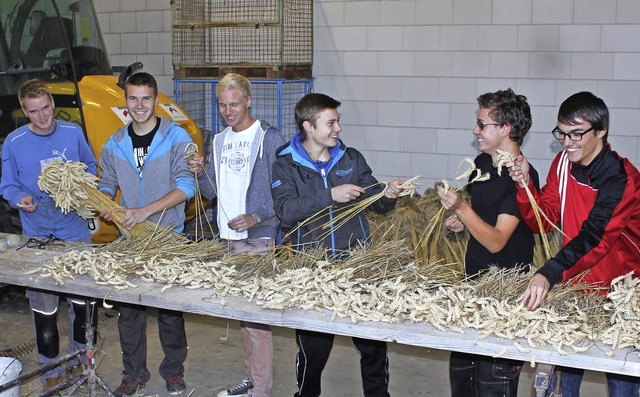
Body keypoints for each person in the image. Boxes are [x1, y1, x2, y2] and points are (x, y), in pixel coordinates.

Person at [271, 93, 405, 397]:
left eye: (338, 121)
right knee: (313, 352)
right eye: (331, 122)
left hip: (357, 266)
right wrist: (331, 195)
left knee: (372, 347)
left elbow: (376, 202)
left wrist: (389, 194)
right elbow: (286, 211)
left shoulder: (351, 158)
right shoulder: (285, 164)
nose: (338, 129)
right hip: (313, 271)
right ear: (308, 125)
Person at [507, 91, 640, 397]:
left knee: (621, 383)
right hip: (576, 284)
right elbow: (545, 217)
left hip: (619, 295)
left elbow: (596, 236)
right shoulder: (563, 163)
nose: (567, 143)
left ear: (601, 131)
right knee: (564, 385)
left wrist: (550, 271)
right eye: (562, 134)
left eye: (576, 134)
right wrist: (526, 185)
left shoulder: (622, 178)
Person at [187, 73, 285, 397]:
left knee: (255, 318)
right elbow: (209, 191)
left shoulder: (269, 138)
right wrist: (200, 172)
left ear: (248, 100)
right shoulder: (217, 140)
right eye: (222, 105)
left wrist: (256, 216)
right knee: (244, 315)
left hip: (258, 237)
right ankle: (252, 378)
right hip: (226, 239)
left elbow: (285, 192)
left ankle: (260, 389)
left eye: (235, 104)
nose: (228, 111)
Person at [437, 88, 539, 397]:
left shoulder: (520, 178)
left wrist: (462, 209)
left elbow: (497, 241)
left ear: (506, 129)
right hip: (474, 286)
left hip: (505, 294)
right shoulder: (481, 163)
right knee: (463, 381)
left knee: (494, 383)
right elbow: (482, 219)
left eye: (482, 124)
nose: (475, 130)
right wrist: (461, 221)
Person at [98, 72, 195, 396]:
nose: (139, 106)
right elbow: (106, 184)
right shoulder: (115, 143)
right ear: (125, 102)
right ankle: (133, 374)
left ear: (156, 100)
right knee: (130, 313)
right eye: (133, 98)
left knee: (169, 311)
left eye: (146, 98)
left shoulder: (176, 137)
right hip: (130, 241)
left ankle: (174, 371)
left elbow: (186, 186)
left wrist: (145, 211)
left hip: (168, 236)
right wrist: (104, 205)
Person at [0, 79, 98, 391]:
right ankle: (50, 376)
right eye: (33, 112)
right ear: (24, 111)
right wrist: (21, 200)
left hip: (75, 234)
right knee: (45, 313)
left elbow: (91, 167)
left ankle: (80, 366)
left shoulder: (72, 133)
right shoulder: (13, 143)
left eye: (45, 108)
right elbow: (8, 185)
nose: (42, 117)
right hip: (38, 237)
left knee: (83, 309)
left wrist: (81, 188)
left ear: (53, 104)